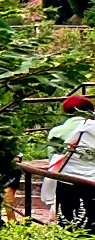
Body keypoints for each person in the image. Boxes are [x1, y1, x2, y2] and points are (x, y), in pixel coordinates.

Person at [44, 94, 95, 226]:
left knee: (66, 216)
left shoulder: (57, 132)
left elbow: (52, 157)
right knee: (92, 217)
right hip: (91, 179)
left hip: (66, 177)